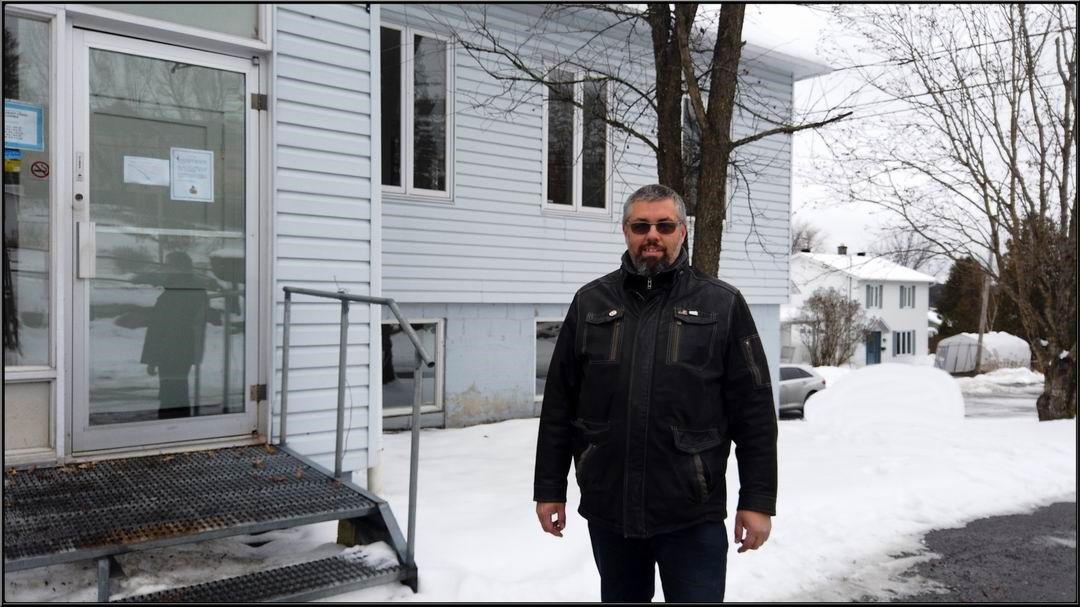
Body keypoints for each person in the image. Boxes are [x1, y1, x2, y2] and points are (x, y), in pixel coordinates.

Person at [533, 184, 778, 603]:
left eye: (664, 225)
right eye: (641, 225)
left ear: (683, 232)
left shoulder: (722, 304)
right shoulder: (590, 303)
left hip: (691, 511)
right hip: (610, 510)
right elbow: (560, 403)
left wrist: (757, 500)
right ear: (626, 231)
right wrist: (549, 488)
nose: (652, 235)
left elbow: (753, 413)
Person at [140, 251, 209, 419]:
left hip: (174, 352)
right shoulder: (180, 289)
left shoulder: (180, 292)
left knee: (173, 393)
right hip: (175, 352)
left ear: (179, 268)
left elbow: (163, 328)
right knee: (173, 391)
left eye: (169, 265)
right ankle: (175, 426)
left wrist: (153, 358)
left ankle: (174, 428)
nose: (165, 269)